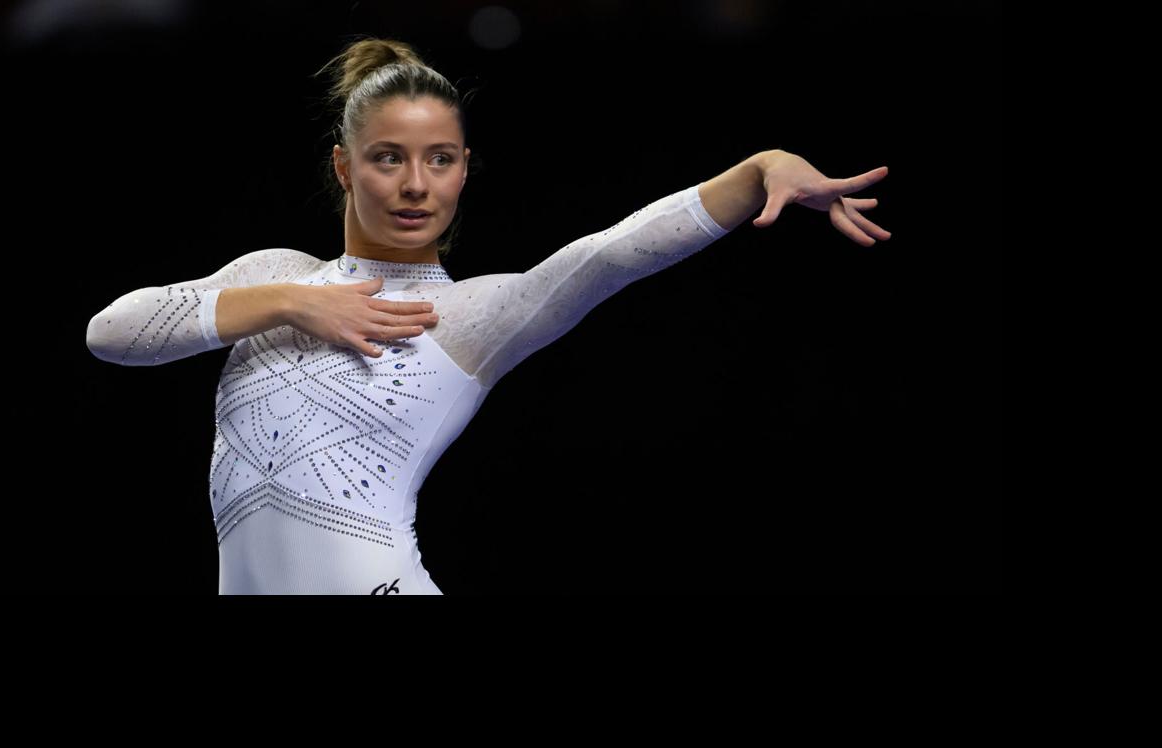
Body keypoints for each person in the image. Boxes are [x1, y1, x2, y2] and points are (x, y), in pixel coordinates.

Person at [86, 37, 890, 594]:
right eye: (388, 158)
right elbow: (112, 333)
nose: (414, 185)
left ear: (464, 170)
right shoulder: (272, 275)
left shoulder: (468, 314)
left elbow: (607, 255)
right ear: (343, 164)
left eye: (439, 160)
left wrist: (757, 171)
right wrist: (299, 299)